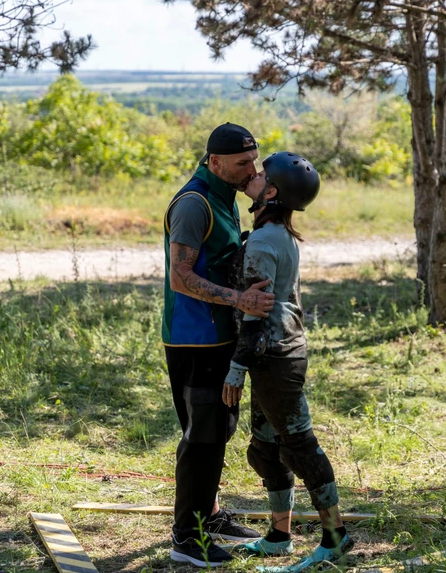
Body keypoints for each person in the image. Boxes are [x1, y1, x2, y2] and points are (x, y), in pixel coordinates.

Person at [222, 152, 355, 573]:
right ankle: (279, 536)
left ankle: (335, 538)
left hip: (274, 357)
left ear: (273, 191)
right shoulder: (277, 232)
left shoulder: (263, 240)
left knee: (299, 447)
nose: (253, 176)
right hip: (276, 354)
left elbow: (254, 312)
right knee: (265, 449)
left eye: (261, 175)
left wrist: (236, 369)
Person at [163, 123, 276, 568]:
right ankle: (186, 539)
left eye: (255, 161)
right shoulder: (194, 204)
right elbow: (180, 276)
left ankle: (208, 516)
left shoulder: (224, 194)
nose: (253, 169)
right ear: (215, 162)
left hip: (220, 333)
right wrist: (240, 299)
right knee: (202, 436)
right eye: (243, 164)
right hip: (195, 338)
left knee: (219, 430)